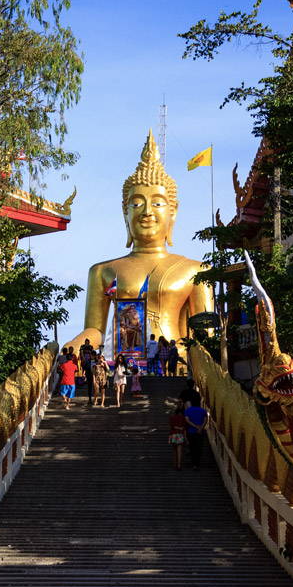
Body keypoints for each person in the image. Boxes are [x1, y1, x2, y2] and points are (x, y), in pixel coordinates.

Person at [63, 132, 213, 354]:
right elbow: (95, 331)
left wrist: (180, 351)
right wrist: (74, 346)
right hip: (122, 359)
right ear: (125, 214)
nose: (147, 212)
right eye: (136, 204)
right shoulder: (102, 271)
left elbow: (206, 337)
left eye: (158, 204)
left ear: (173, 212)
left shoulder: (197, 271)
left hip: (173, 359)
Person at [183, 401, 208, 469]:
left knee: (192, 447)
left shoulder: (188, 411)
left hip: (191, 432)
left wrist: (196, 427)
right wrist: (201, 428)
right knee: (199, 448)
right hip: (200, 432)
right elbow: (205, 420)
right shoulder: (203, 410)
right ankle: (197, 464)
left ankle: (194, 463)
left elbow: (187, 420)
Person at [168, 404, 187, 469]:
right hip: (180, 434)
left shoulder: (172, 418)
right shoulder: (183, 418)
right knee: (179, 451)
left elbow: (172, 426)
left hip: (173, 434)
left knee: (174, 450)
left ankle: (175, 464)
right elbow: (184, 428)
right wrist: (185, 437)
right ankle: (179, 465)